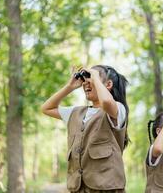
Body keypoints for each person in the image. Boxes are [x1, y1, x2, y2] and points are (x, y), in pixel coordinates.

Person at [41, 65, 129, 193]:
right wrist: (70, 86)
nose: (86, 83)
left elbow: (106, 102)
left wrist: (95, 77)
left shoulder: (117, 109)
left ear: (108, 84)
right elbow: (46, 108)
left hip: (107, 188)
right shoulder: (76, 112)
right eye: (85, 81)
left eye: (91, 79)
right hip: (79, 188)